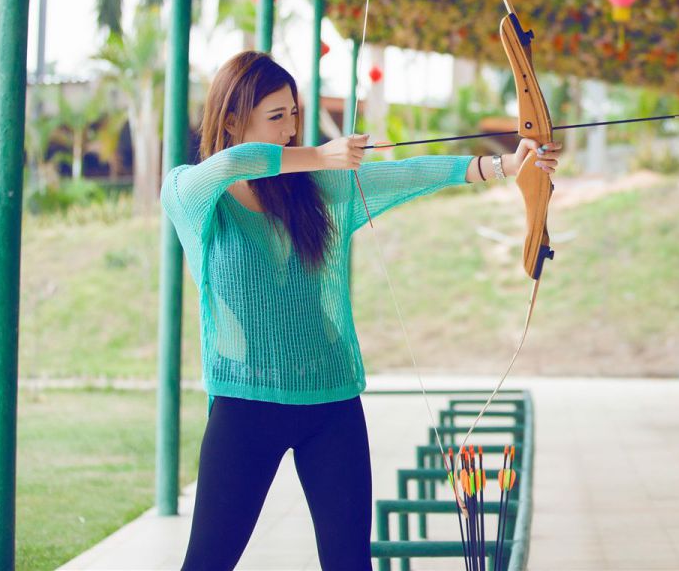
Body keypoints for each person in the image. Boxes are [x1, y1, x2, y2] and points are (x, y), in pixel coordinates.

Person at [161, 51, 561, 570]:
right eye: (275, 117)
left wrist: (504, 166)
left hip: (331, 400)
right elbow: (232, 163)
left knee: (350, 563)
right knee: (208, 562)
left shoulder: (312, 192)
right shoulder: (192, 193)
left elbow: (403, 175)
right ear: (233, 119)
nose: (290, 129)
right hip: (246, 405)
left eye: (294, 115)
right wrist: (320, 156)